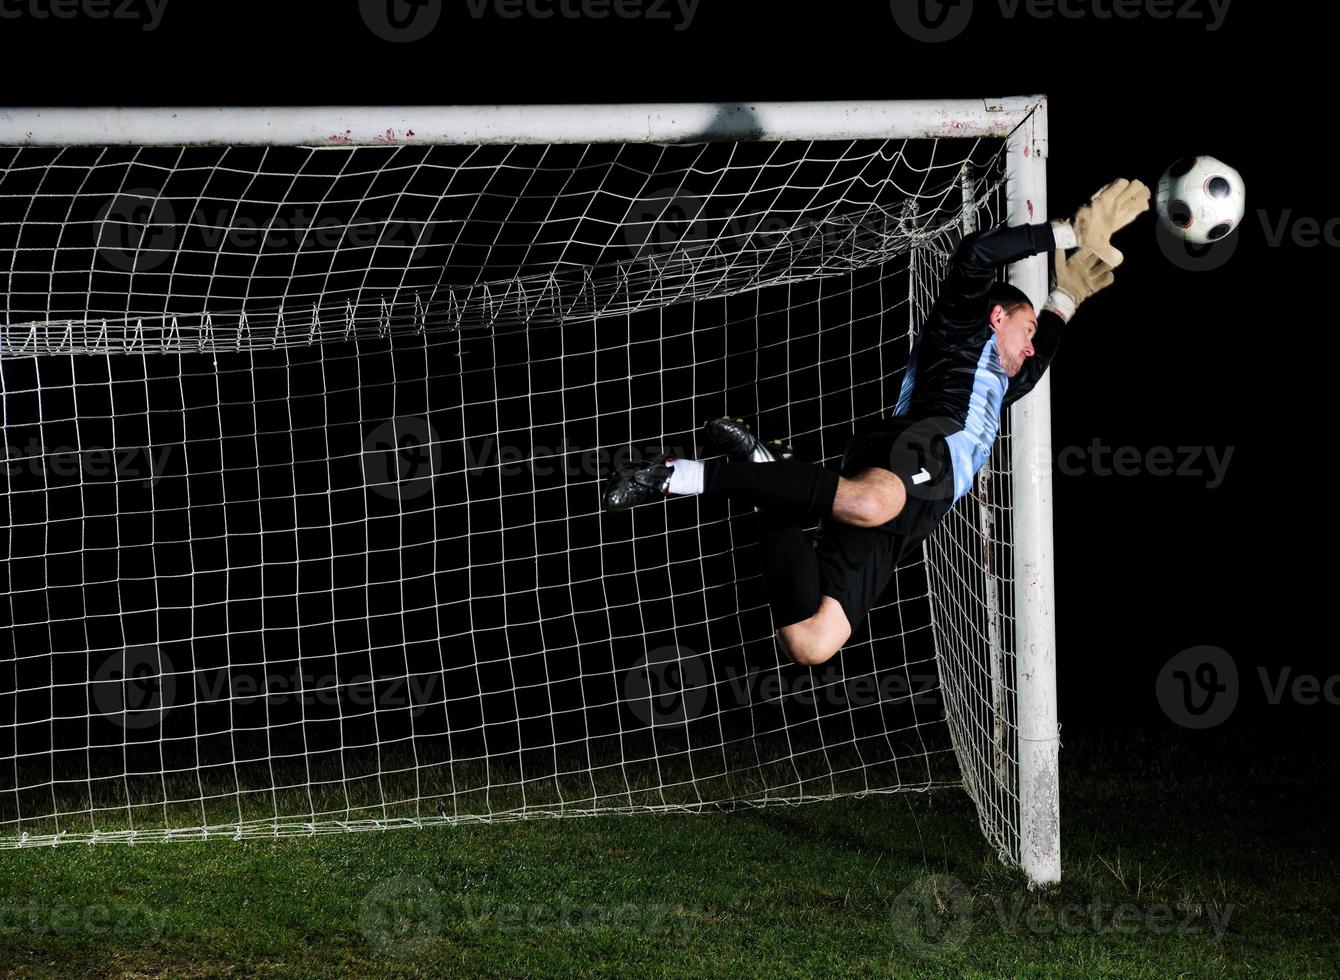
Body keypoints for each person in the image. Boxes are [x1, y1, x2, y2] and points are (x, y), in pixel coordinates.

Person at [603, 179, 1150, 666]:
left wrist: (1065, 298)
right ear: (997, 315)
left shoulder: (1007, 382)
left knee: (810, 642)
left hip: (923, 508)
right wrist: (1065, 231)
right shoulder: (961, 332)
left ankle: (768, 477)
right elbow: (978, 254)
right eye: (1026, 328)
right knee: (873, 501)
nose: (1032, 346)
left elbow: (1039, 355)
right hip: (915, 446)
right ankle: (674, 475)